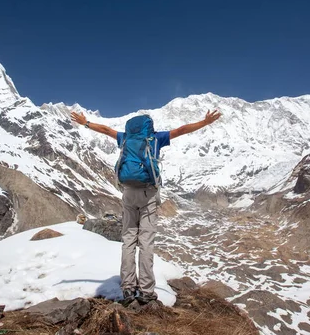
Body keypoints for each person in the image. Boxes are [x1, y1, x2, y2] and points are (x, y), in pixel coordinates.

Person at [70, 109, 222, 305]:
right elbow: (182, 129)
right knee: (146, 243)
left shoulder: (125, 138)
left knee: (128, 241)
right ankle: (146, 290)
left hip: (128, 193)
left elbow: (106, 130)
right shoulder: (155, 139)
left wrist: (85, 122)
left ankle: (127, 288)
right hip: (148, 194)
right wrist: (205, 122)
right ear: (148, 127)